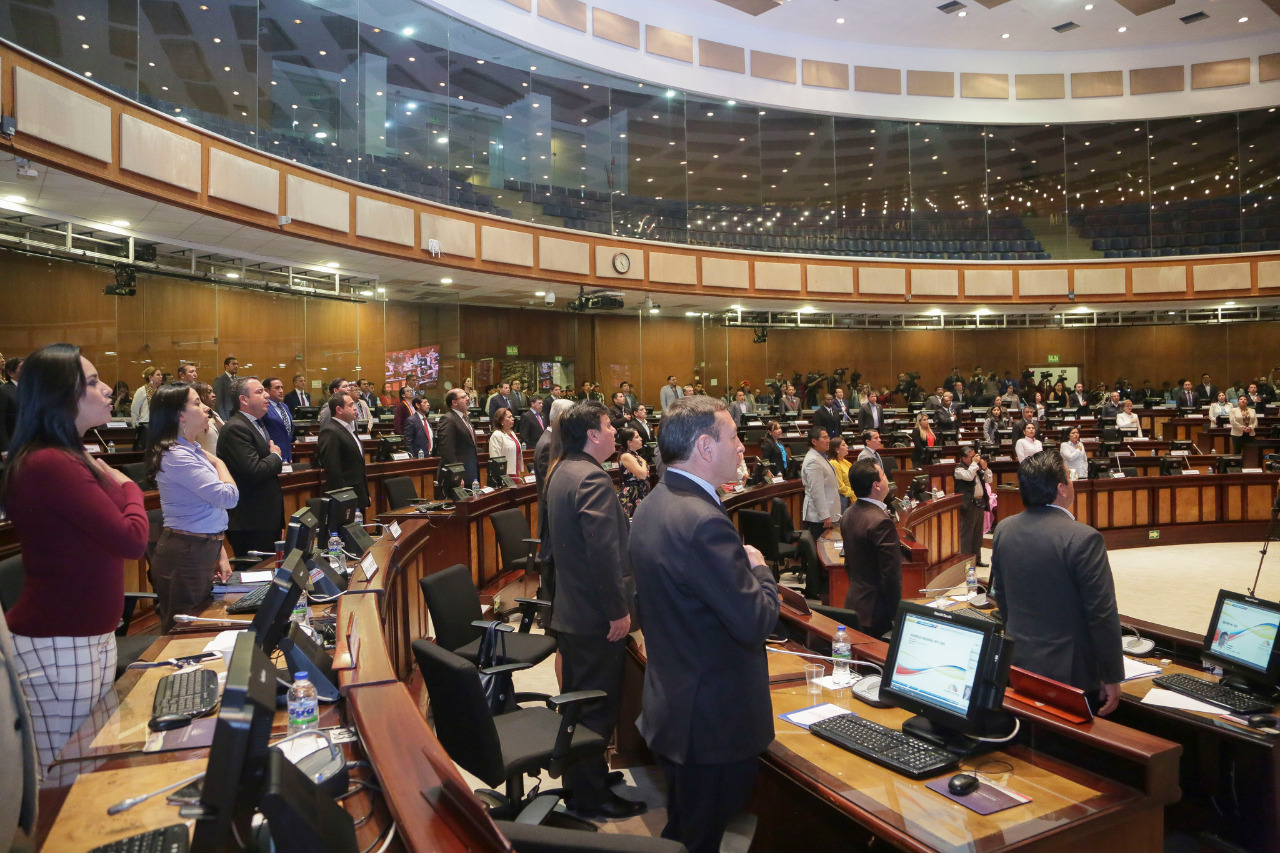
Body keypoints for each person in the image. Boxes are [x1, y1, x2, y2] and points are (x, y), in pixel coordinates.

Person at [629, 396, 779, 853]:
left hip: (674, 707)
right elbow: (755, 620)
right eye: (733, 437)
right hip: (711, 726)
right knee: (700, 839)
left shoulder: (655, 503)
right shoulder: (702, 521)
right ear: (704, 446)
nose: (742, 449)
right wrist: (760, 569)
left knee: (686, 831)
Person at [0, 343, 149, 771]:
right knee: (65, 777)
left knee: (89, 767)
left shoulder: (73, 456)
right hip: (58, 642)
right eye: (92, 382)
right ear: (58, 395)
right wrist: (129, 487)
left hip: (88, 636)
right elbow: (131, 539)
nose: (106, 390)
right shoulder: (50, 463)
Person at [544, 401, 646, 819]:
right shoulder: (592, 478)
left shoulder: (563, 471)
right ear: (591, 434)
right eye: (608, 426)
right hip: (594, 617)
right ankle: (589, 796)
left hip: (573, 609)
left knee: (581, 704)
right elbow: (603, 555)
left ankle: (589, 778)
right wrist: (618, 611)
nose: (614, 433)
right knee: (596, 709)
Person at [989, 450, 1124, 715]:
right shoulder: (1084, 538)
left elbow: (1001, 597)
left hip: (1019, 662)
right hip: (1071, 673)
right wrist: (1112, 674)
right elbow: (1101, 614)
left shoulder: (1004, 528)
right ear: (1061, 488)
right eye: (1070, 478)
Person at [145, 383, 238, 632]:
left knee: (201, 624)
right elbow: (228, 497)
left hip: (201, 547)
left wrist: (220, 552)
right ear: (180, 414)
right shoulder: (176, 455)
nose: (206, 407)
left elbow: (209, 512)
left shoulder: (193, 449)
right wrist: (219, 462)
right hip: (185, 555)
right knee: (184, 633)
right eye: (197, 403)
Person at [839, 459, 907, 639]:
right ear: (876, 485)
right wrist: (895, 615)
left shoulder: (848, 514)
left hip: (854, 603)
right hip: (877, 613)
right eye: (884, 476)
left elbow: (849, 565)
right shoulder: (881, 522)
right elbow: (891, 576)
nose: (887, 480)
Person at [217, 377, 285, 556]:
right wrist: (276, 456)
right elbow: (254, 470)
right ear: (243, 399)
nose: (267, 396)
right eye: (259, 392)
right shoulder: (235, 429)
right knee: (255, 576)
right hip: (250, 521)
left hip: (265, 519)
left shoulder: (257, 423)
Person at [317, 391, 370, 511]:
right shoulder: (330, 431)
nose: (355, 408)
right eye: (351, 405)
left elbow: (358, 465)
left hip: (358, 494)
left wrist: (365, 494)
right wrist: (344, 499)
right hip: (345, 500)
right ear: (339, 410)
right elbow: (333, 470)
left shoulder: (350, 428)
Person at [953, 447, 992, 567]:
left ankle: (977, 559)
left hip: (980, 503)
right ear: (963, 458)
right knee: (967, 533)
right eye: (972, 456)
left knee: (977, 534)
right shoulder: (959, 469)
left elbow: (989, 480)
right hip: (968, 504)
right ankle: (966, 562)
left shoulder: (976, 467)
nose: (975, 458)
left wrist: (985, 469)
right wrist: (975, 464)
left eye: (975, 455)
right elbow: (969, 476)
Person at [800, 426, 840, 542]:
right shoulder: (813, 460)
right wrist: (824, 515)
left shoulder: (820, 456)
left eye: (828, 437)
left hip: (825, 515)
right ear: (814, 441)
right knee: (820, 550)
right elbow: (816, 491)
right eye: (824, 437)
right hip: (819, 518)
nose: (828, 440)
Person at [436, 388, 479, 487]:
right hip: (459, 475)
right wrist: (456, 474)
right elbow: (447, 449)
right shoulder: (448, 419)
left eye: (467, 396)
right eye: (463, 397)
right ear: (454, 402)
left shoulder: (465, 418)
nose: (468, 398)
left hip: (470, 470)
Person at [617, 427, 650, 518]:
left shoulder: (636, 455)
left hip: (640, 492)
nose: (641, 439)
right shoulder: (626, 456)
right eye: (637, 437)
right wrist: (644, 462)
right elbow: (642, 475)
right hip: (632, 495)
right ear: (629, 442)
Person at [261, 377, 294, 463]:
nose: (281, 391)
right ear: (266, 391)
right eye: (277, 388)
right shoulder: (264, 407)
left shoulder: (284, 406)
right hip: (272, 455)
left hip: (288, 454)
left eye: (282, 387)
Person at [487, 407, 523, 476]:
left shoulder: (512, 433)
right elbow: (495, 458)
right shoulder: (496, 435)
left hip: (515, 471)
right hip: (505, 474)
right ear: (501, 421)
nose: (512, 419)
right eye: (509, 417)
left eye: (512, 416)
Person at [191, 382, 223, 454]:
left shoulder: (214, 414)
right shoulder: (194, 418)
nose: (214, 395)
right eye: (209, 392)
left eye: (213, 392)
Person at [131, 365, 163, 434]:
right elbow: (134, 410)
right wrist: (134, 427)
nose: (161, 376)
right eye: (158, 375)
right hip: (146, 424)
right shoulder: (142, 390)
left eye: (161, 375)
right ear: (150, 377)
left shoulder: (161, 391)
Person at [828, 435, 853, 512]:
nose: (847, 446)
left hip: (851, 496)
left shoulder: (845, 462)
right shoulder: (833, 463)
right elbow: (840, 486)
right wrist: (853, 494)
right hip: (843, 499)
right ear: (837, 449)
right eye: (843, 445)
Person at [0, 358, 20, 455]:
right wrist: (4, 449)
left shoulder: (28, 388)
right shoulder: (3, 390)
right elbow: (1, 421)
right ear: (11, 373)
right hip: (11, 443)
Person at [212, 356, 238, 420]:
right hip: (227, 415)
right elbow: (218, 401)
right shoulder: (220, 380)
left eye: (237, 364)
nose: (236, 366)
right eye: (233, 364)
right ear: (226, 366)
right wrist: (223, 419)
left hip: (238, 414)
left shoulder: (240, 379)